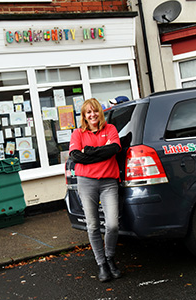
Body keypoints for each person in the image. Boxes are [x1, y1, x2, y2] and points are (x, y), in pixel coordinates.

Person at [68, 98, 122, 282]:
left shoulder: (111, 129)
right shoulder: (77, 133)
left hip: (109, 182)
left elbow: (114, 149)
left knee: (112, 225)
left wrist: (89, 151)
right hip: (87, 182)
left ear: (100, 112)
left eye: (95, 111)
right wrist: (100, 151)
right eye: (88, 113)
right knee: (92, 225)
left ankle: (109, 257)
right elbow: (76, 157)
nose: (93, 115)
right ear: (84, 116)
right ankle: (101, 264)